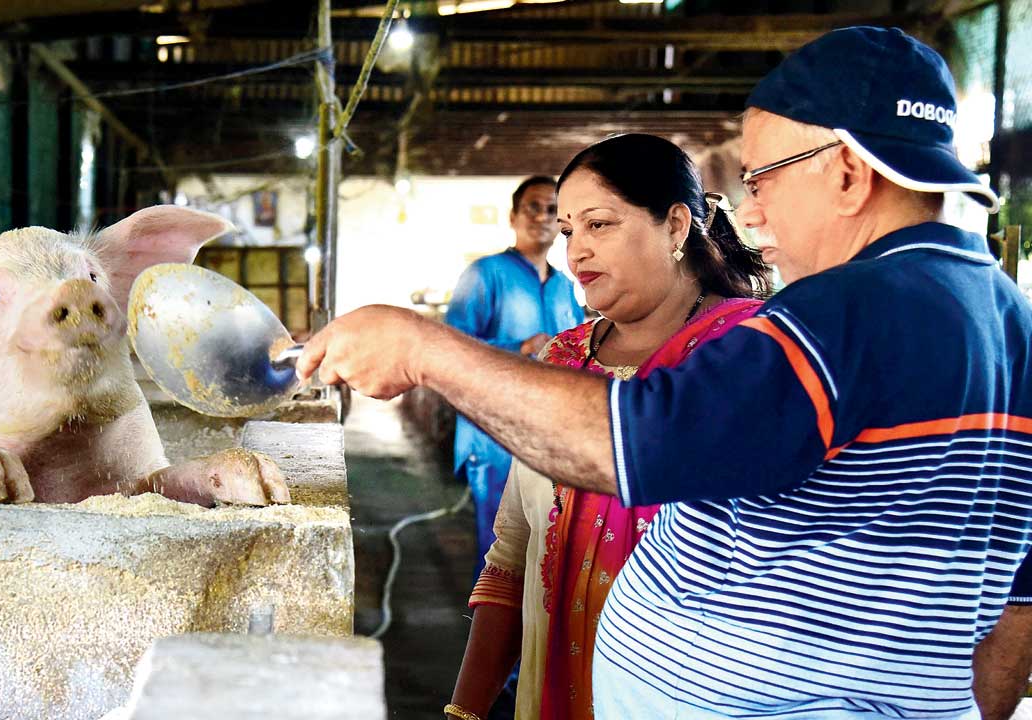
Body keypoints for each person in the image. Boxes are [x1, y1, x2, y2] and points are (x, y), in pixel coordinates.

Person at [300, 27, 1032, 720]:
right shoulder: (1004, 314)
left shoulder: (852, 306)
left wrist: (421, 347)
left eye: (763, 179)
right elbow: (1020, 594)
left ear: (845, 173)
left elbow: (628, 440)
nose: (751, 211)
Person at [449, 134, 771, 720]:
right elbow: (512, 556)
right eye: (570, 231)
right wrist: (464, 712)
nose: (576, 253)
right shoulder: (564, 360)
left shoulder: (749, 355)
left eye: (599, 225)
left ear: (676, 226)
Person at [445, 176, 584, 576]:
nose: (542, 217)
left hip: (548, 435)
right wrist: (520, 349)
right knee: (500, 549)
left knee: (543, 548)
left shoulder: (564, 286)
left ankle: (531, 637)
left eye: (552, 210)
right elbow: (453, 346)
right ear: (513, 217)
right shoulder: (484, 274)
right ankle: (486, 635)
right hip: (494, 435)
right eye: (533, 207)